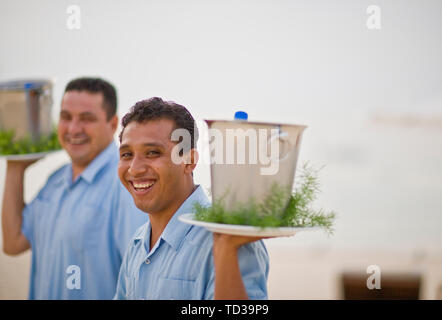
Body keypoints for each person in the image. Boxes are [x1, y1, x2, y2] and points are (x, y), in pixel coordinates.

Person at [1, 77, 147, 299]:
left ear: (112, 123)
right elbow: (13, 242)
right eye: (65, 117)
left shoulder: (126, 186)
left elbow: (140, 281)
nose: (73, 129)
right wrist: (15, 166)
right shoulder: (55, 182)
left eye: (86, 119)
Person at [114, 97, 269, 300]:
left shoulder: (230, 238)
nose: (135, 168)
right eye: (126, 154)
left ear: (189, 161)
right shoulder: (137, 243)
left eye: (152, 152)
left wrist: (225, 249)